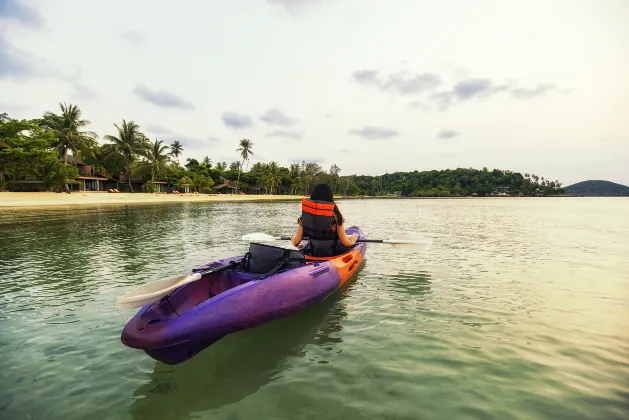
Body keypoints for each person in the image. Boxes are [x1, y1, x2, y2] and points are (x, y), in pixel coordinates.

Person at [291, 183, 358, 256]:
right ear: (330, 198)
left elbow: (296, 242)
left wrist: (293, 239)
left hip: (313, 253)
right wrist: (353, 240)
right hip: (333, 254)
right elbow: (346, 243)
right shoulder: (336, 217)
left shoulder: (305, 217)